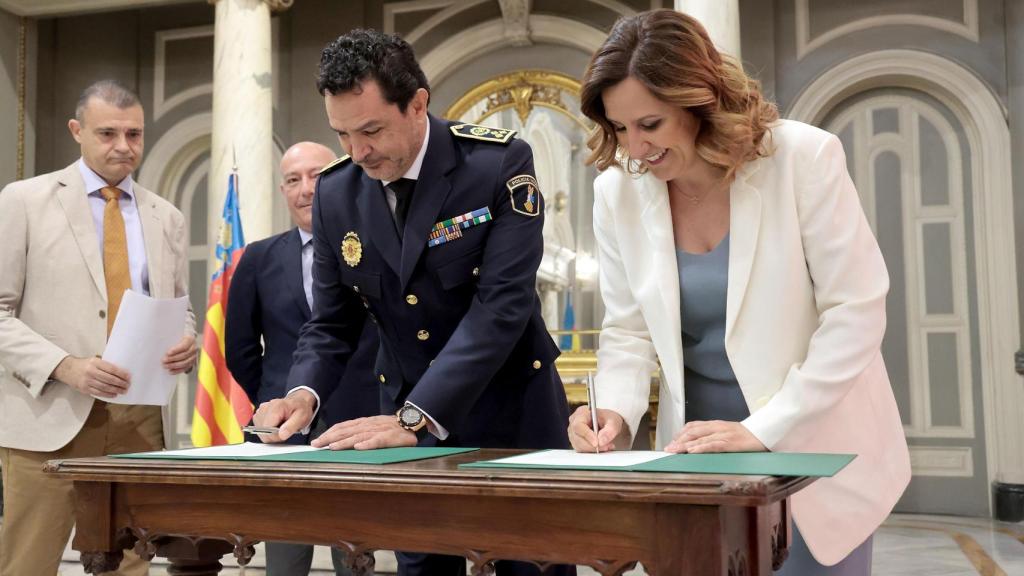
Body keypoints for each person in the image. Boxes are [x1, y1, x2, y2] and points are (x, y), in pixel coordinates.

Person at [567, 9, 911, 575]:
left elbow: (856, 313)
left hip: (813, 445)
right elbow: (628, 330)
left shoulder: (803, 158)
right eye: (619, 128)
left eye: (650, 124)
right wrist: (616, 415)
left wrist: (761, 430)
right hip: (698, 460)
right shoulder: (616, 194)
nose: (634, 147)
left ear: (699, 101)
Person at [252, 29, 573, 576]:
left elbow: (502, 306)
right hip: (401, 431)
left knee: (534, 564)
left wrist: (416, 417)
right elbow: (332, 321)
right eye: (343, 134)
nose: (358, 151)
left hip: (511, 418)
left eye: (372, 130)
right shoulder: (337, 190)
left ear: (418, 103)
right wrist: (302, 392)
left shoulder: (496, 164)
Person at [0, 79, 197, 576]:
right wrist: (65, 366)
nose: (123, 147)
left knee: (131, 565)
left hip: (138, 422)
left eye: (134, 134)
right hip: (49, 420)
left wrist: (186, 343)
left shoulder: (166, 216)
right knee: (27, 564)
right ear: (77, 131)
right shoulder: (23, 201)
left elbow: (179, 307)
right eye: (107, 133)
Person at [225, 141, 380, 576]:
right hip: (282, 436)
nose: (306, 189)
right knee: (285, 562)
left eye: (316, 176)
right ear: (283, 190)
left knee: (356, 557)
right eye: (293, 180)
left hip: (359, 424)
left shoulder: (374, 246)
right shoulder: (258, 258)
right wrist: (273, 396)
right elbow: (239, 347)